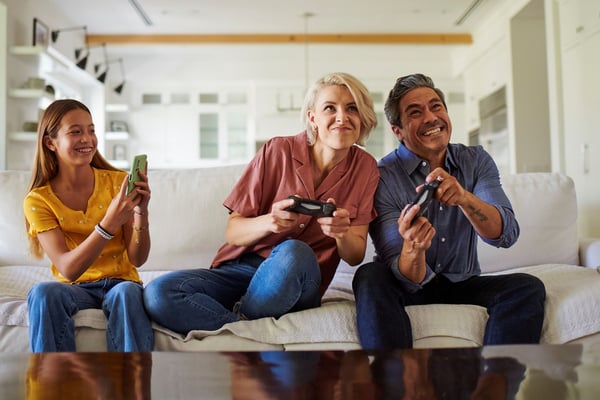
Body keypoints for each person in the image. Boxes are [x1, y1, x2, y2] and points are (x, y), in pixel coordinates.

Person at [143, 72, 379, 333]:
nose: (342, 117)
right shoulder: (278, 150)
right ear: (312, 118)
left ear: (362, 117)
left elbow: (355, 255)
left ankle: (243, 319)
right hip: (243, 269)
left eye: (352, 108)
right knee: (158, 293)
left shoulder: (366, 167)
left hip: (299, 278)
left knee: (295, 252)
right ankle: (247, 328)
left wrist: (340, 233)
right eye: (330, 108)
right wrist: (270, 222)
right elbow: (233, 232)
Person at [352, 73, 546, 349]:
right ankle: (395, 384)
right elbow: (406, 274)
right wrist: (413, 248)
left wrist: (466, 199)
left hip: (461, 281)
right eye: (415, 112)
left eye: (436, 106)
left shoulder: (475, 160)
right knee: (370, 276)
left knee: (527, 287)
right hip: (405, 282)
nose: (431, 118)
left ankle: (495, 385)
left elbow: (506, 235)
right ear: (398, 130)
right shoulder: (381, 176)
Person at [23, 99, 154, 352]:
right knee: (43, 293)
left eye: (91, 130)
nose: (88, 139)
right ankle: (54, 387)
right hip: (75, 288)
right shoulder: (38, 200)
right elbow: (68, 269)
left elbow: (138, 259)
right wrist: (108, 224)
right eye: (76, 131)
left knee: (127, 293)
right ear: (51, 143)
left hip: (121, 283)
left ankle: (129, 386)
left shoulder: (117, 183)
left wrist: (141, 212)